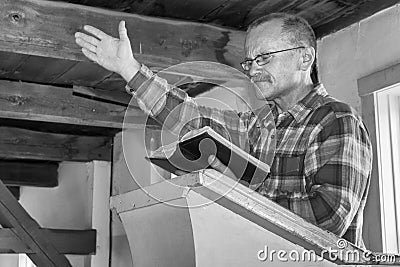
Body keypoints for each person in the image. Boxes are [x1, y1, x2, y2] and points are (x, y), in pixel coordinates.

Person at [75, 13, 372, 248]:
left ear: (305, 58)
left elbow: (328, 217)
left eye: (264, 58)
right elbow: (190, 118)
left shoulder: (336, 119)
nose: (253, 70)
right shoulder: (256, 124)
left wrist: (238, 195)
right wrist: (129, 69)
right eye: (249, 61)